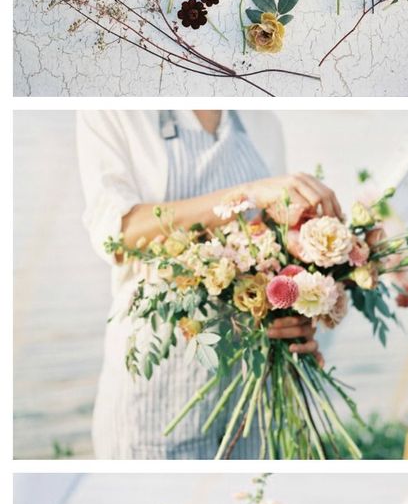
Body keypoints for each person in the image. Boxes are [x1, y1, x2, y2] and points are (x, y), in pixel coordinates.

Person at [77, 109, 343, 459]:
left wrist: (292, 311)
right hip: (158, 388)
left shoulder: (262, 122)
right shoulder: (115, 111)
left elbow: (270, 243)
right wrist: (245, 194)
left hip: (254, 395)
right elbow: (120, 235)